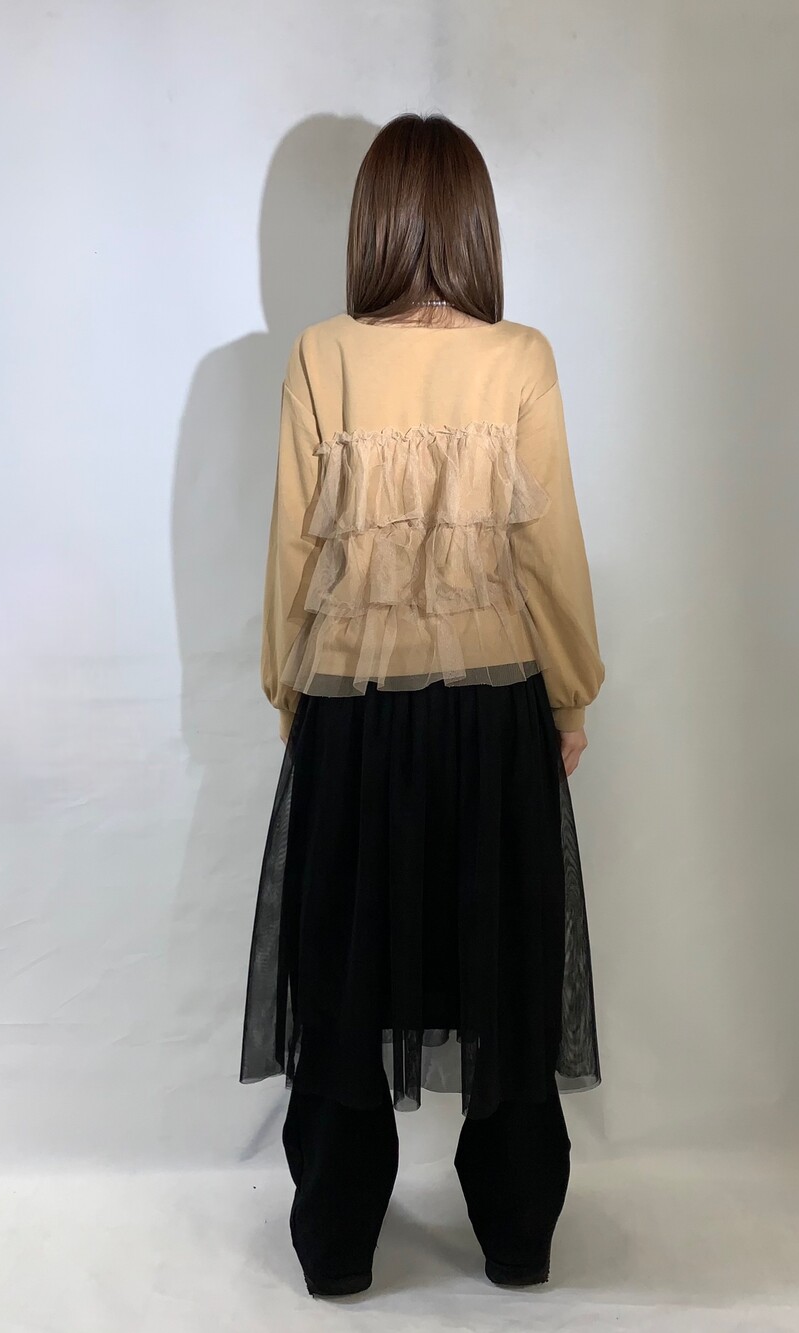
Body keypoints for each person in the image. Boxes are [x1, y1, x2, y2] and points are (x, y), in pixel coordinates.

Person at [239, 111, 606, 1298]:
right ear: (474, 226)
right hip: (495, 714)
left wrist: (290, 692)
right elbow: (549, 550)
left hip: (352, 713)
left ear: (375, 223)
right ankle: (517, 1237)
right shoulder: (520, 357)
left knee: (342, 979)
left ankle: (336, 1245)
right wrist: (570, 695)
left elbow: (291, 550)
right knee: (505, 969)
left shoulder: (322, 356)